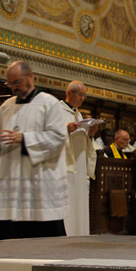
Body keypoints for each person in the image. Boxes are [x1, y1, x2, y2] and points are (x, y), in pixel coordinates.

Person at [0, 61, 68, 241]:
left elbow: (58, 139)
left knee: (42, 241)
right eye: (10, 83)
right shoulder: (5, 107)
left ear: (30, 77)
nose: (14, 87)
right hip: (8, 182)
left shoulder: (49, 103)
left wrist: (24, 139)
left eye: (17, 82)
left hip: (38, 182)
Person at [59, 81, 99, 236]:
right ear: (69, 93)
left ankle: (79, 233)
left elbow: (82, 141)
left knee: (79, 202)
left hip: (79, 166)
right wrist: (65, 130)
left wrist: (90, 134)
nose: (83, 99)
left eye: (84, 95)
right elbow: (50, 134)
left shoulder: (78, 114)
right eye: (80, 95)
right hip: (66, 166)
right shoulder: (57, 110)